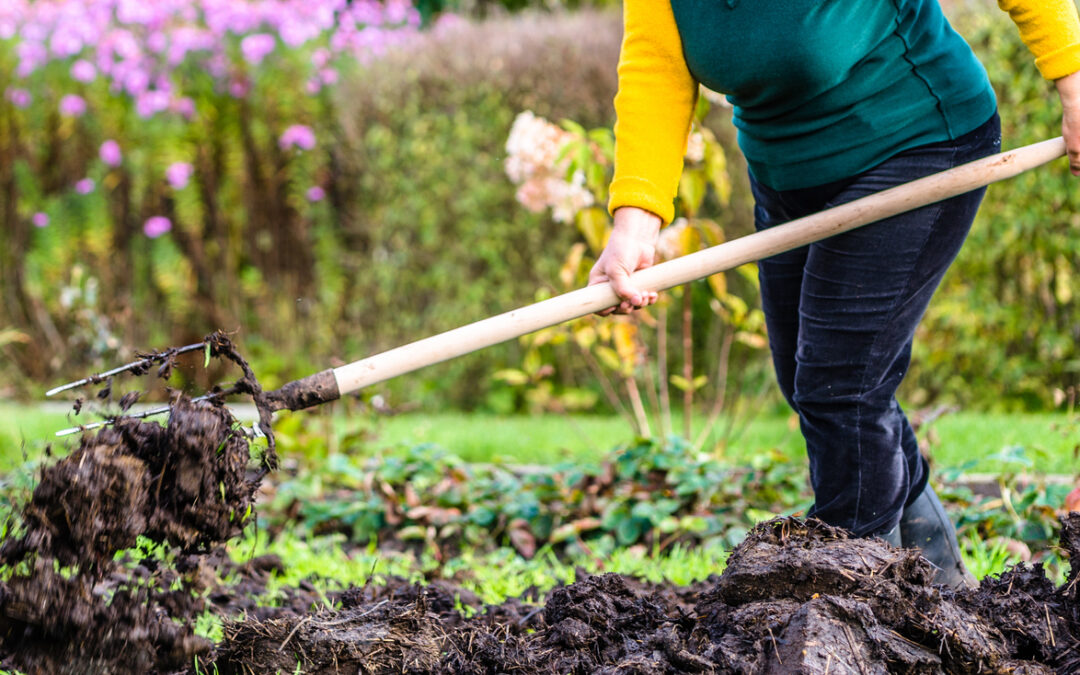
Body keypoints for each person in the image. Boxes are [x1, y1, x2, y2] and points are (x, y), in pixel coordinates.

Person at [588, 0, 1080, 588]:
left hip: (914, 142)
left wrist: (1074, 80)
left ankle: (855, 601)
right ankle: (941, 591)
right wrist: (634, 223)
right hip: (788, 176)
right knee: (819, 388)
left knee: (840, 389)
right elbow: (656, 68)